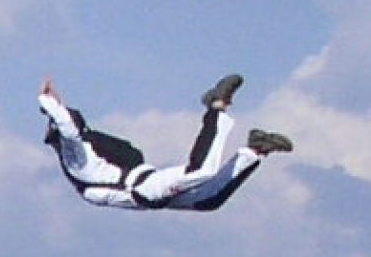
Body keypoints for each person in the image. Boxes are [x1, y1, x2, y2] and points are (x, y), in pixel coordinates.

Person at [38, 73, 293, 211]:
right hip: (147, 192)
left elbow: (68, 128)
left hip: (145, 188)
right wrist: (55, 106)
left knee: (202, 170)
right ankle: (256, 148)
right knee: (209, 200)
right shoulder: (77, 150)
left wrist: (47, 102)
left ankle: (217, 106)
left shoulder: (76, 150)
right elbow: (69, 126)